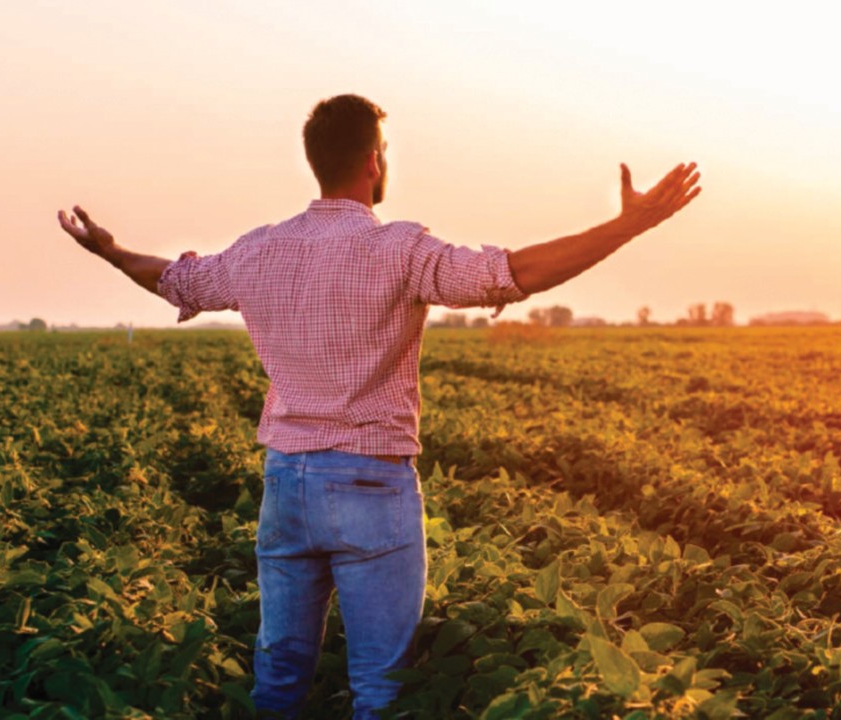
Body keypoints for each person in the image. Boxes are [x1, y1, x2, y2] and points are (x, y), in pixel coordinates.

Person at [56, 93, 701, 719]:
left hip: (286, 483)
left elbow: (176, 278)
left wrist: (110, 250)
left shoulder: (258, 250)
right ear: (373, 161)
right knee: (381, 688)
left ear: (316, 161)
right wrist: (629, 224)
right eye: (384, 150)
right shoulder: (401, 248)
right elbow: (515, 272)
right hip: (370, 483)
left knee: (278, 676)